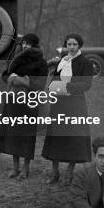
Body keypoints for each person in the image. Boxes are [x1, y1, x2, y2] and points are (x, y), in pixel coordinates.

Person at [42, 33, 94, 185]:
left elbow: (86, 85)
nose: (71, 47)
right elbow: (53, 80)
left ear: (79, 46)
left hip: (75, 105)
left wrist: (66, 87)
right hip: (59, 104)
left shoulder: (85, 63)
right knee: (56, 137)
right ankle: (55, 173)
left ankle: (69, 174)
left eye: (74, 45)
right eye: (69, 44)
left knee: (72, 138)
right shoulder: (62, 61)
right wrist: (53, 87)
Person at [0, 33, 48, 179]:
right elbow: (5, 75)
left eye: (29, 43)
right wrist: (11, 78)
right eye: (24, 43)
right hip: (13, 101)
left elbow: (40, 84)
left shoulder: (41, 62)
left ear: (35, 45)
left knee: (26, 135)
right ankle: (15, 169)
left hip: (29, 102)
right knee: (13, 134)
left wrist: (21, 81)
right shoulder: (16, 58)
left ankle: (26, 169)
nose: (25, 45)